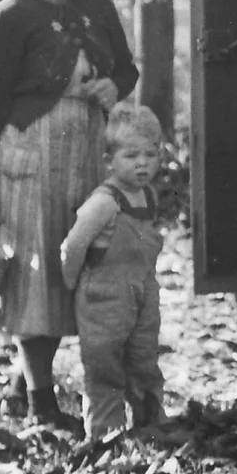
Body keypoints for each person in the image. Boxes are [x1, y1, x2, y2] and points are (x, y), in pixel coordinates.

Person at [0, 0, 137, 435]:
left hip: (83, 150)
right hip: (27, 155)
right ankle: (40, 400)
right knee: (35, 273)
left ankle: (21, 383)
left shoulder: (97, 6)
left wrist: (115, 86)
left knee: (70, 269)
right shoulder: (9, 17)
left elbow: (126, 67)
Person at [60, 104, 167, 440]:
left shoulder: (147, 196)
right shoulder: (104, 202)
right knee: (105, 364)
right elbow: (72, 246)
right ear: (109, 161)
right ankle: (106, 435)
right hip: (104, 293)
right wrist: (72, 283)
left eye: (150, 154)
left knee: (143, 357)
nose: (142, 163)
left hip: (141, 291)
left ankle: (150, 423)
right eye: (131, 155)